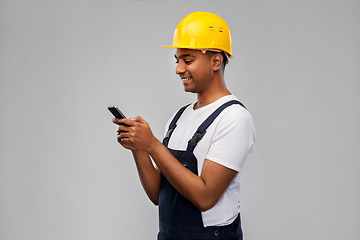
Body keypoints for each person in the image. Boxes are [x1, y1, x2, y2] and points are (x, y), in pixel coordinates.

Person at [112, 11, 255, 240]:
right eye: (177, 60)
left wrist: (153, 146)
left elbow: (206, 198)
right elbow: (160, 194)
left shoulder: (234, 118)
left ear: (216, 61)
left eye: (188, 60)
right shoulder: (179, 118)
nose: (179, 69)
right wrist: (139, 148)